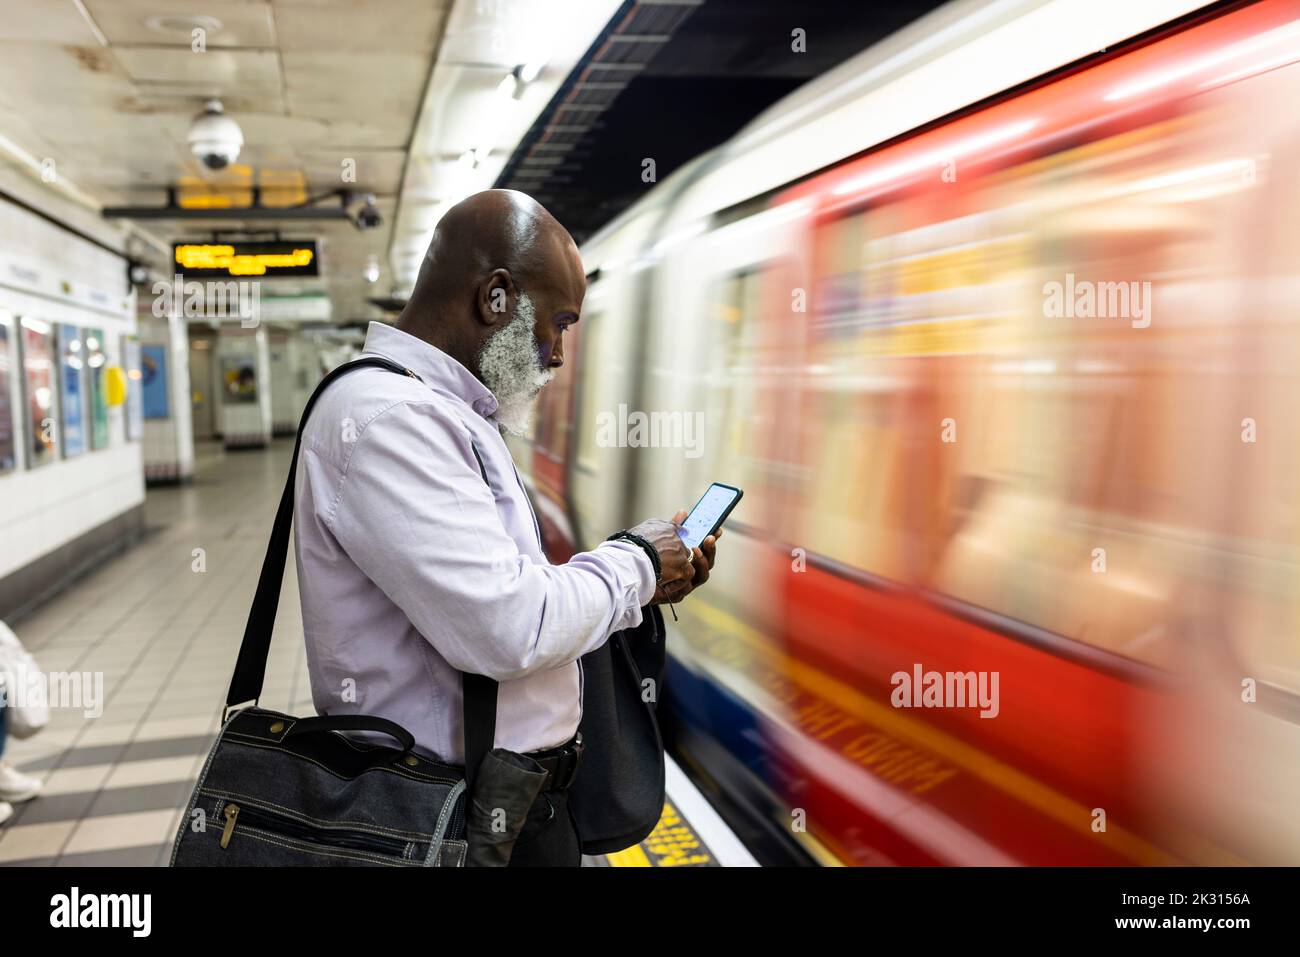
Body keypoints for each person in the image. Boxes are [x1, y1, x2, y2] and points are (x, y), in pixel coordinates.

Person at [293, 188, 719, 866]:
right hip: (444, 820)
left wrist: (644, 580)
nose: (556, 354)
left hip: (496, 807)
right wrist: (637, 560)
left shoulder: (445, 411)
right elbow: (509, 626)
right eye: (558, 323)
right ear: (496, 297)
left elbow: (500, 589)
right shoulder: (391, 419)